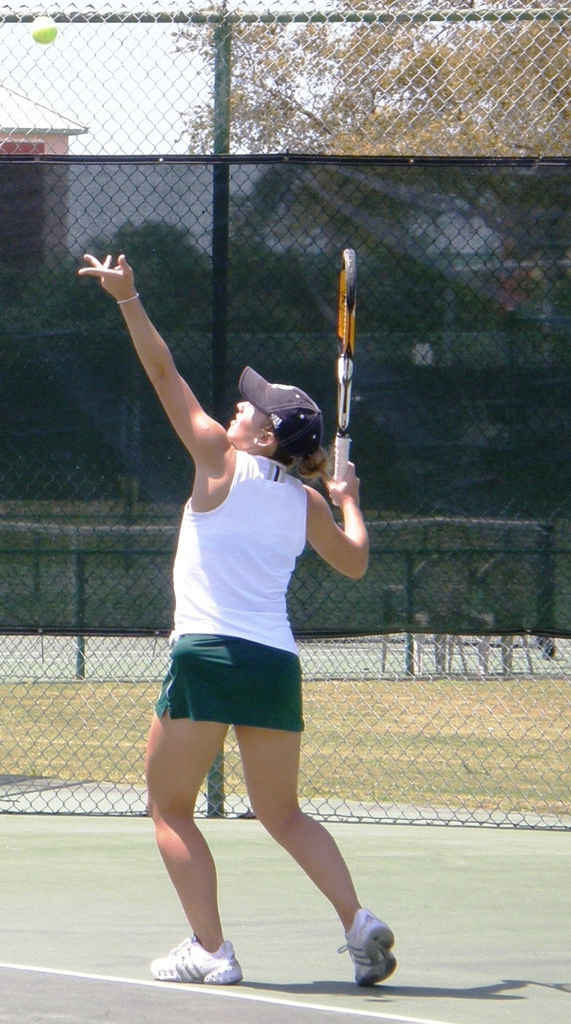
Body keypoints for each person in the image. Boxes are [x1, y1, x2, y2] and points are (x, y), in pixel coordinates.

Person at [78, 253, 396, 988]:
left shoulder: (219, 459)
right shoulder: (306, 502)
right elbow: (354, 561)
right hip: (272, 665)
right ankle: (357, 922)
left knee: (167, 808)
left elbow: (164, 375)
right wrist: (348, 500)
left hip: (207, 656)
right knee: (283, 814)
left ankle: (211, 950)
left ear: (262, 439)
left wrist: (128, 299)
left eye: (251, 408)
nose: (238, 406)